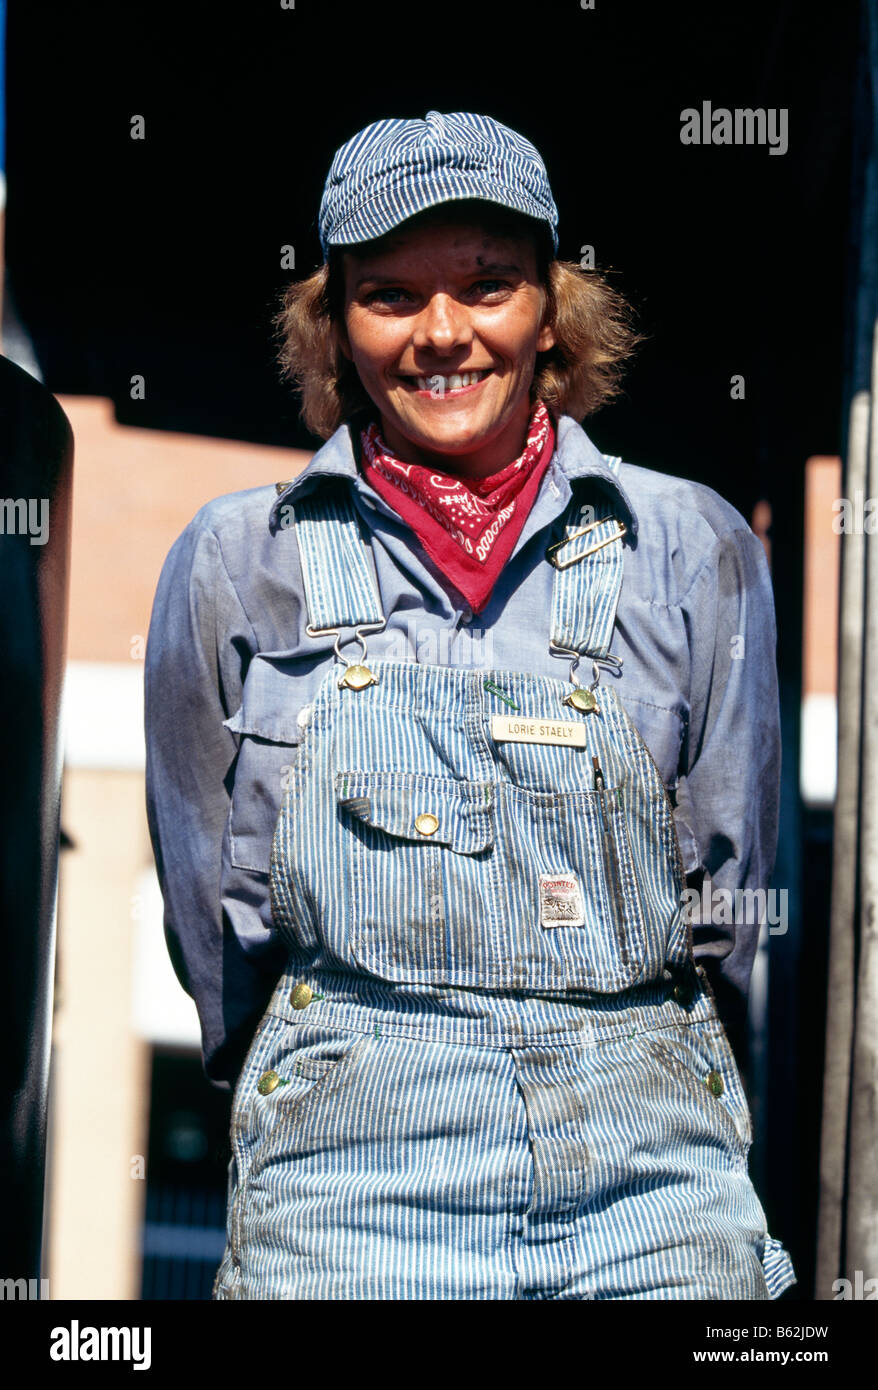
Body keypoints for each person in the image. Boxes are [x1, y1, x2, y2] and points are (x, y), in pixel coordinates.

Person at [144, 111, 797, 1300]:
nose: (442, 335)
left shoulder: (687, 541)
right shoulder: (239, 558)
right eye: (389, 295)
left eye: (487, 285)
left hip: (646, 1176)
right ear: (332, 325)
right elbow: (213, 926)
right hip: (343, 1182)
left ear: (550, 308)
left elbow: (735, 904)